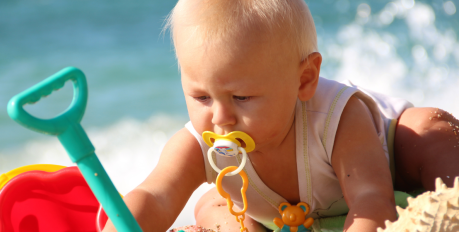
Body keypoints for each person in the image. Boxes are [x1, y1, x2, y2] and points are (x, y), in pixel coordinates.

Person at [103, 0, 459, 231]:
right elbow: (156, 195)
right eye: (201, 97)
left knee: (429, 129)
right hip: (282, 217)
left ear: (304, 80)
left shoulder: (337, 118)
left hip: (390, 164)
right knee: (214, 205)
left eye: (241, 97)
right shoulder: (200, 145)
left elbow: (371, 201)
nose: (221, 118)